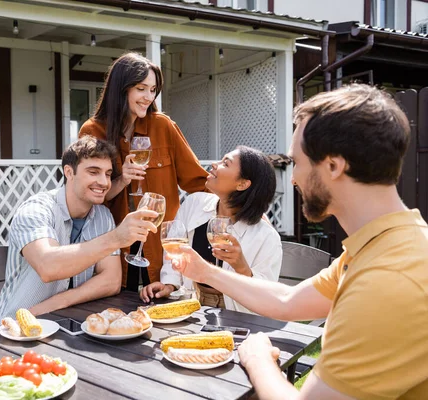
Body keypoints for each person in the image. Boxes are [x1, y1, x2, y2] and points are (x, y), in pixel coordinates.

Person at [171, 84, 428, 399]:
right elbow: (287, 301)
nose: (292, 179)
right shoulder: (381, 246)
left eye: (297, 163)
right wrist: (206, 272)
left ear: (333, 166)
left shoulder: (389, 279)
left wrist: (258, 360)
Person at [0, 136, 158, 327]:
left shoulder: (103, 216)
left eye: (108, 174)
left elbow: (111, 281)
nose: (103, 182)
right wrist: (117, 238)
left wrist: (59, 302)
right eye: (93, 172)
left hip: (65, 325)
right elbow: (48, 266)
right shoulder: (36, 210)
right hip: (11, 330)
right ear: (69, 172)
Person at [78, 52, 208, 291]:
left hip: (159, 250)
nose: (148, 97)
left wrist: (240, 203)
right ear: (121, 88)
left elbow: (197, 180)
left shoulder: (163, 126)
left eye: (153, 90)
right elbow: (90, 196)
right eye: (141, 88)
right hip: (113, 250)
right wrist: (121, 178)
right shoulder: (93, 130)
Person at [140, 146, 282, 312]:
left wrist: (242, 268)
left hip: (237, 315)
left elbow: (267, 297)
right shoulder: (194, 204)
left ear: (242, 184)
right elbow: (174, 251)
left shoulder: (267, 237)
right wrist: (170, 284)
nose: (215, 164)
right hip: (191, 305)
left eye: (225, 164)